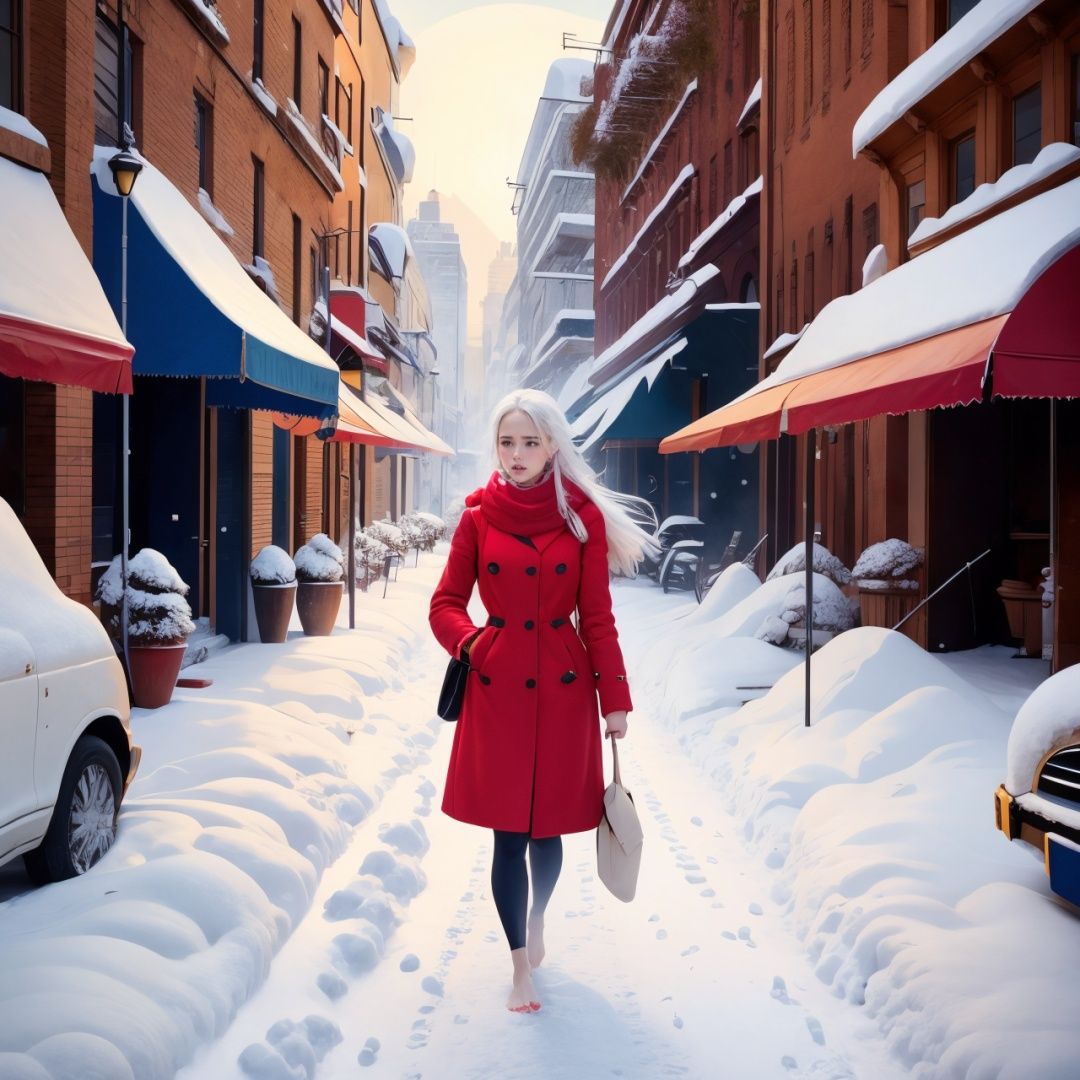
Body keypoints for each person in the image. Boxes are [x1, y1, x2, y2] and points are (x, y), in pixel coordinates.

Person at [428, 388, 657, 1014]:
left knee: (547, 829)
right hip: (497, 691)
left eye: (530, 441)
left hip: (562, 691)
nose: (518, 453)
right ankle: (518, 965)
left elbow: (599, 618)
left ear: (553, 445)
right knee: (508, 831)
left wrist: (615, 699)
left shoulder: (581, 520)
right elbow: (444, 604)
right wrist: (474, 646)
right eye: (508, 442)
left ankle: (537, 920)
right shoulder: (477, 517)